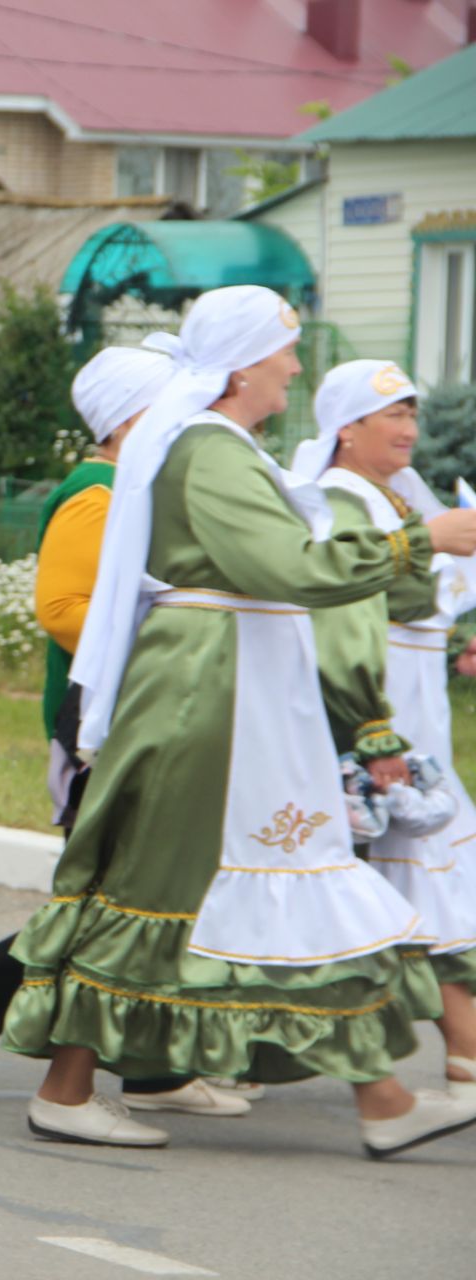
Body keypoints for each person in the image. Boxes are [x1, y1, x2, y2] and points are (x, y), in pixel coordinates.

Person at [3, 286, 476, 1158]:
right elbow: (284, 565)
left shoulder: (215, 446)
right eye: (282, 355)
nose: (295, 370)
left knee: (210, 883)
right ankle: (379, 1101)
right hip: (213, 693)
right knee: (206, 881)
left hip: (235, 685)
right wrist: (421, 540)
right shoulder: (210, 450)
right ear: (241, 366)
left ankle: (379, 1101)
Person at [0, 342, 253, 1119]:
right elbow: (65, 606)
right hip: (114, 720)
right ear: (132, 417)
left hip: (157, 713)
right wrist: (171, 648)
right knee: (115, 892)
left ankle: (153, 1067)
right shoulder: (97, 495)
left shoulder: (138, 488)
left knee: (160, 888)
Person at [293, 359, 476, 1103]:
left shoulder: (393, 498)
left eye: (411, 415)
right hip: (381, 709)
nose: (409, 430)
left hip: (417, 703)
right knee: (405, 873)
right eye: (391, 416)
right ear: (345, 429)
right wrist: (375, 732)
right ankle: (459, 1054)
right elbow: (348, 610)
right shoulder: (341, 499)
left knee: (416, 871)